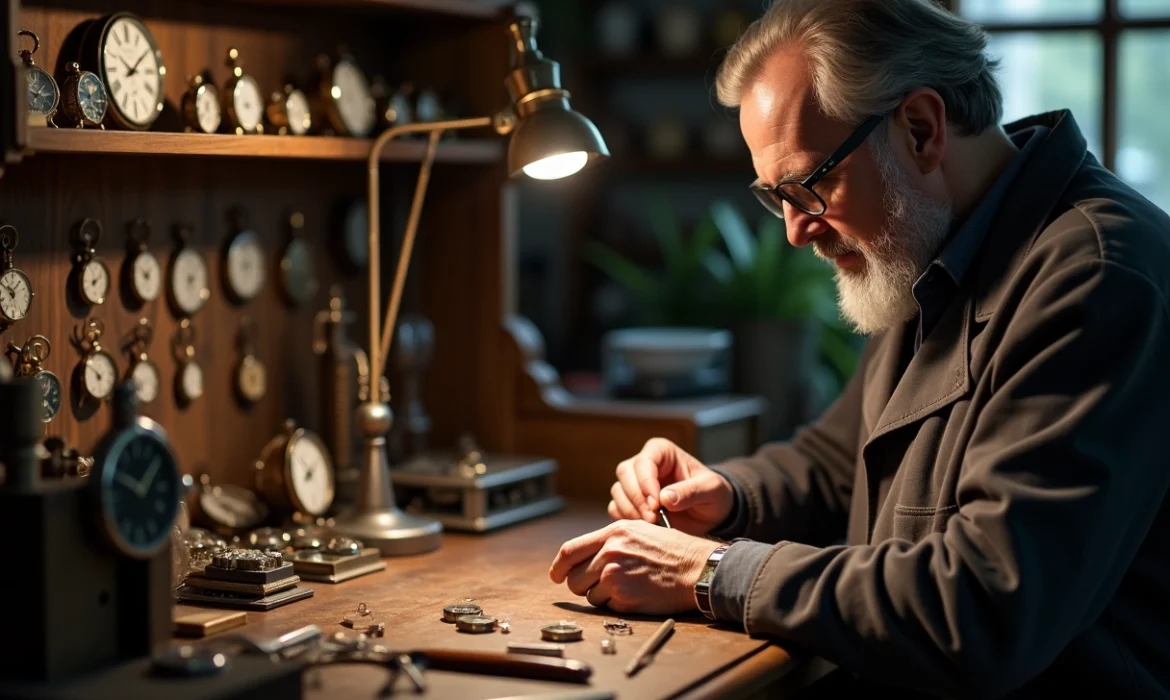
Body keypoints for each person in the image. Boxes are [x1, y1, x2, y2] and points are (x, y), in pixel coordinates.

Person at [548, 0, 1170, 696]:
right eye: (774, 195)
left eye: (811, 185)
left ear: (921, 128)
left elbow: (986, 608)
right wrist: (727, 497)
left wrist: (708, 572)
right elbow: (839, 462)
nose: (794, 231)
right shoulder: (931, 244)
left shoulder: (1097, 276)